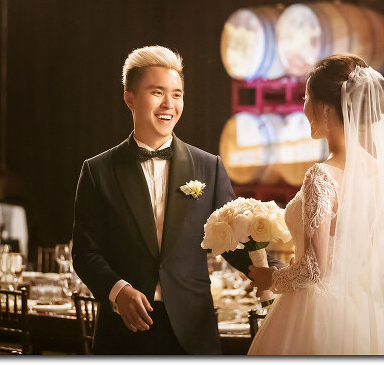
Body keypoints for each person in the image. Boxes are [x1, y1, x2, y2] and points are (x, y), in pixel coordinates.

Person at [248, 54, 384, 355]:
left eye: (306, 98)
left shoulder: (321, 175)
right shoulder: (380, 173)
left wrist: (269, 278)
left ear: (324, 108)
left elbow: (313, 270)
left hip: (312, 313)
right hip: (357, 309)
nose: (303, 107)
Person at [71, 45, 270, 355]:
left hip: (193, 331)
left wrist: (271, 272)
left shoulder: (209, 167)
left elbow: (231, 242)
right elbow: (85, 252)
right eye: (157, 92)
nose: (169, 104)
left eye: (177, 94)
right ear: (130, 99)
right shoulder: (98, 171)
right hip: (124, 331)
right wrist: (117, 291)